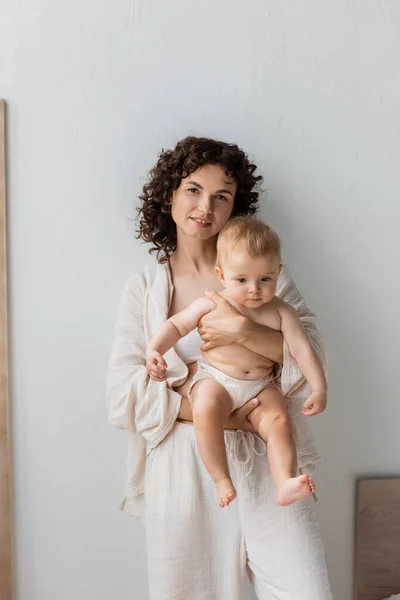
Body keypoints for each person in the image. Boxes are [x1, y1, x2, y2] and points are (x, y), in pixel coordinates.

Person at [106, 136, 333, 599]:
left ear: (236, 207)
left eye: (221, 196)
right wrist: (219, 408)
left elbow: (310, 358)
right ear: (169, 194)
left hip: (272, 460)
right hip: (185, 469)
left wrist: (240, 332)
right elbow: (123, 395)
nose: (205, 206)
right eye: (193, 189)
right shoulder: (146, 289)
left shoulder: (265, 273)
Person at [146, 216, 326, 508]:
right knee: (205, 408)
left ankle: (284, 482)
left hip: (260, 384)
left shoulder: (282, 311)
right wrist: (154, 349)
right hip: (216, 379)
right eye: (241, 280)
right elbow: (176, 326)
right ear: (221, 274)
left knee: (279, 420)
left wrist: (319, 389)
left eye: (265, 279)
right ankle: (221, 478)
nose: (254, 289)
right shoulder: (212, 302)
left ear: (278, 273)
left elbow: (302, 351)